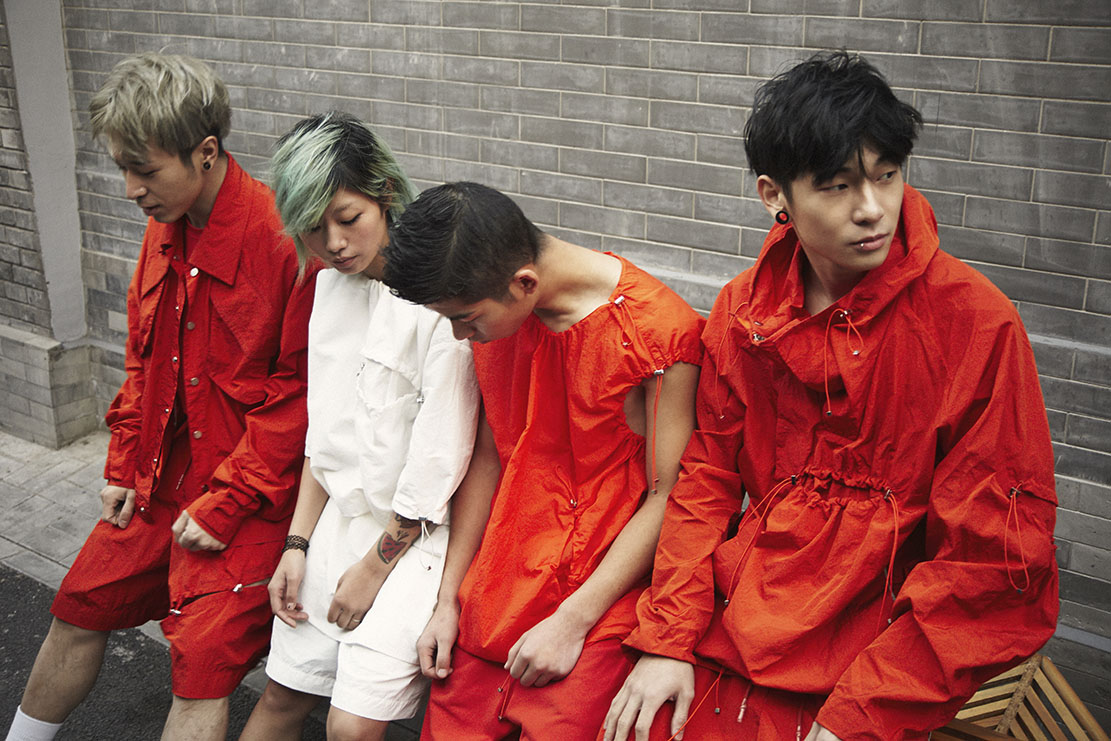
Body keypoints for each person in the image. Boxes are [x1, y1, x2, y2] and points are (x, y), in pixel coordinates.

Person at [602, 51, 1060, 741]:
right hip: (742, 615)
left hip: (882, 655)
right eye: (838, 185)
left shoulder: (973, 323)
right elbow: (706, 480)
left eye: (887, 175)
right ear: (774, 195)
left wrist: (862, 713)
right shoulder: (742, 311)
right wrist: (667, 638)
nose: (872, 209)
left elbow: (993, 560)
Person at [5, 53, 317, 741]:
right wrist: (123, 464)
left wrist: (227, 502)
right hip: (158, 478)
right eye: (122, 168)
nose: (129, 190)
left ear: (205, 151)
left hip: (247, 498)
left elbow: (298, 400)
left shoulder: (285, 242)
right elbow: (144, 360)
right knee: (79, 605)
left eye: (143, 170)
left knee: (199, 668)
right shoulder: (163, 225)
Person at [382, 181, 704, 739]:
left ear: (524, 283)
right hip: (496, 588)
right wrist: (448, 601)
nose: (459, 334)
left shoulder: (657, 332)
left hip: (599, 601)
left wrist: (573, 621)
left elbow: (669, 494)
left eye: (465, 318)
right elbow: (488, 458)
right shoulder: (497, 318)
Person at [238, 112, 480, 741]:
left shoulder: (441, 300)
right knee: (282, 695)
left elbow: (440, 463)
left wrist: (374, 568)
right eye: (313, 228)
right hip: (339, 524)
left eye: (348, 218)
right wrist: (296, 546)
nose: (334, 244)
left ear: (386, 193)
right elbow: (324, 439)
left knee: (349, 725)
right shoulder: (328, 291)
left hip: (418, 541)